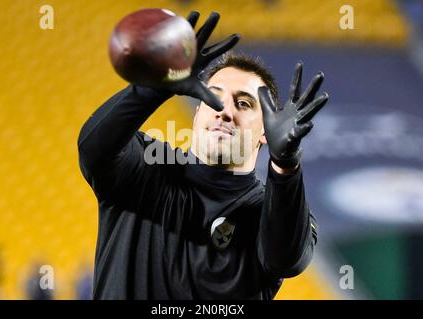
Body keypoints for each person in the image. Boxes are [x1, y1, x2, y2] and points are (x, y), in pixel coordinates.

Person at [78, 11, 328, 300]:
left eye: (244, 104)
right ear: (197, 114)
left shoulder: (270, 210)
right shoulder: (145, 168)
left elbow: (287, 258)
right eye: (215, 97)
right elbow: (93, 150)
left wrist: (286, 164)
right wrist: (152, 90)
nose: (225, 111)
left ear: (265, 132)